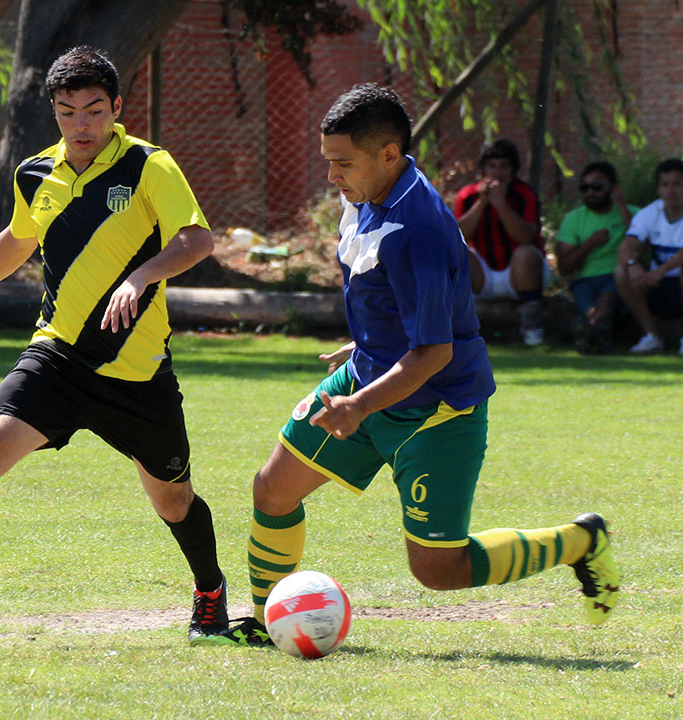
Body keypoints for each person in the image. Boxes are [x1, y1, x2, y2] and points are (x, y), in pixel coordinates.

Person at [215, 84, 619, 647]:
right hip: (372, 378)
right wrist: (365, 345)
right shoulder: (366, 194)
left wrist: (358, 405)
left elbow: (435, 351)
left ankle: (581, 541)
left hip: (436, 407)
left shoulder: (418, 229)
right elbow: (385, 293)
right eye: (327, 160)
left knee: (437, 568)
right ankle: (265, 625)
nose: (331, 175)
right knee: (272, 490)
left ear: (388, 154)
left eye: (342, 163)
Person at [0, 46, 230, 644]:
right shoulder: (34, 173)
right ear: (54, 111)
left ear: (117, 107)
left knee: (173, 500)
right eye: (67, 112)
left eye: (94, 110)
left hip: (135, 373)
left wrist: (141, 277)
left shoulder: (149, 166)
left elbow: (197, 239)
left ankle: (210, 595)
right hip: (56, 356)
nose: (81, 125)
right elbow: (17, 239)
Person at [615, 158, 683, 356]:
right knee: (621, 272)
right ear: (658, 189)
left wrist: (662, 270)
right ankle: (651, 336)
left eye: (677, 184)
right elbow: (626, 245)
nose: (670, 191)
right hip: (661, 286)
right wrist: (632, 266)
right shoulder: (650, 213)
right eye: (665, 185)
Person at [454, 139, 549, 345]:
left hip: (520, 274)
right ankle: (459, 326)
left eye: (504, 167)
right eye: (492, 166)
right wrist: (482, 203)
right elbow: (457, 237)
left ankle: (532, 328)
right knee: (456, 252)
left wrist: (500, 202)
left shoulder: (525, 194)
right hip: (484, 274)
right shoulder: (468, 196)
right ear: (483, 170)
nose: (497, 173)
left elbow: (526, 238)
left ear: (513, 170)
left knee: (525, 253)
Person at [553, 161, 637, 353]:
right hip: (585, 280)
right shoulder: (573, 219)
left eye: (597, 187)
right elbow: (564, 268)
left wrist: (622, 208)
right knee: (588, 304)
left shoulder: (633, 214)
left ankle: (588, 332)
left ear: (613, 188)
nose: (590, 192)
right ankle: (597, 330)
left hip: (619, 277)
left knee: (608, 296)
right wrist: (589, 244)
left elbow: (645, 246)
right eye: (585, 188)